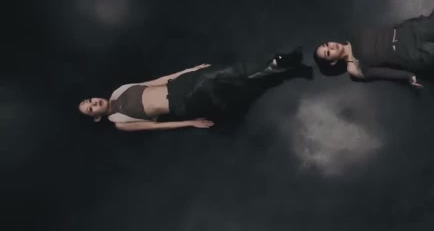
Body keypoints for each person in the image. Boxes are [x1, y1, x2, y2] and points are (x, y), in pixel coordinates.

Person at [78, 50, 308, 132]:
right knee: (217, 80)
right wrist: (191, 123)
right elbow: (156, 126)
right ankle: (276, 67)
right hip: (182, 104)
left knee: (224, 73)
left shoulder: (120, 90)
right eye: (90, 109)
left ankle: (277, 64)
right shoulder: (120, 122)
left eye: (90, 100)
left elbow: (157, 81)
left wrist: (188, 70)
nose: (93, 103)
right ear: (96, 117)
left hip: (178, 85)